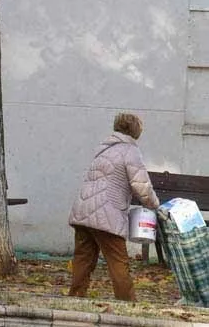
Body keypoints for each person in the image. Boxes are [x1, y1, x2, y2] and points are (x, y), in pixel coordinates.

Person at [67, 113, 160, 302]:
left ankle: (75, 298)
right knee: (118, 262)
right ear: (136, 131)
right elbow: (141, 186)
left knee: (83, 260)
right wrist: (155, 205)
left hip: (83, 212)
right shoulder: (130, 151)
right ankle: (127, 304)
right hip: (107, 215)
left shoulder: (103, 150)